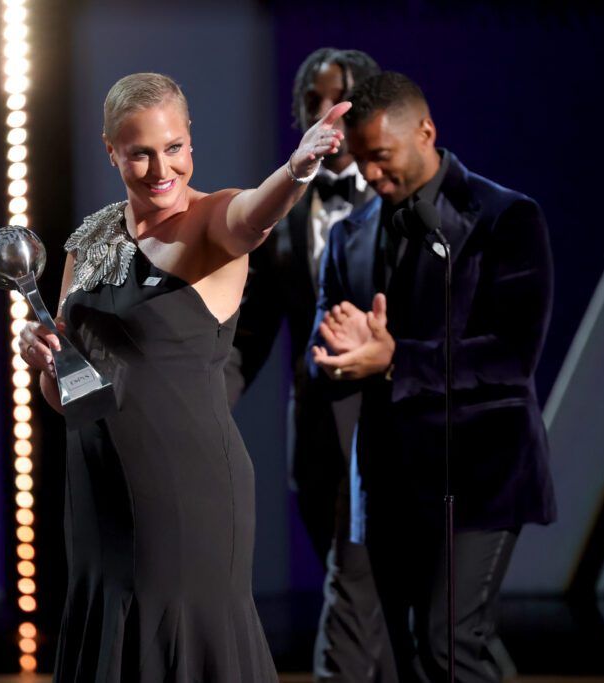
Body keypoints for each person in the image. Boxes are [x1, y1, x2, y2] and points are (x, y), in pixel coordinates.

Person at [19, 72, 349, 682]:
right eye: (139, 151)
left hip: (186, 494)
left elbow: (255, 215)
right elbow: (68, 399)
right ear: (110, 149)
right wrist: (44, 359)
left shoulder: (212, 221)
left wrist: (297, 171)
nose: (159, 168)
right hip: (96, 495)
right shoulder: (87, 242)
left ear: (190, 139)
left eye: (173, 147)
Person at [308, 71, 556, 683]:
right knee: (401, 651)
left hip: (478, 476)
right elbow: (326, 338)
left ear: (426, 131)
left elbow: (510, 357)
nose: (368, 175)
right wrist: (335, 351)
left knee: (449, 643)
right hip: (386, 479)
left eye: (381, 157)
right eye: (360, 160)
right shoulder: (348, 237)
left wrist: (394, 358)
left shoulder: (506, 218)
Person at [227, 48, 397, 682]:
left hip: (394, 426)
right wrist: (199, 406)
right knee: (348, 583)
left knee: (392, 597)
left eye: (345, 99)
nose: (330, 116)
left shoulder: (407, 201)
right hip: (318, 433)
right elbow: (251, 331)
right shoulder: (281, 212)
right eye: (313, 102)